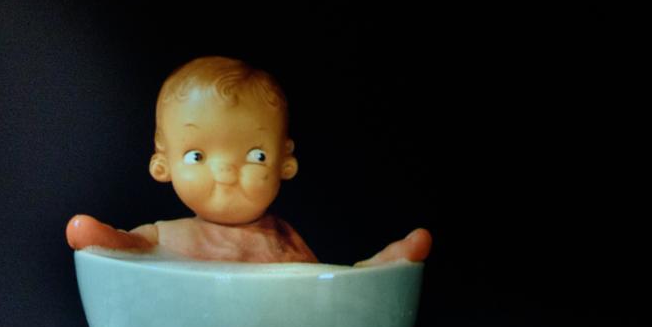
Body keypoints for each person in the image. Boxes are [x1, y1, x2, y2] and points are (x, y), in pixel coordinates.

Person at [65, 56, 432, 265]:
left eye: (256, 156)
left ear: (284, 163)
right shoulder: (164, 237)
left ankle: (375, 274)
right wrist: (106, 241)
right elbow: (127, 248)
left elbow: (316, 290)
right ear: (163, 164)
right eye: (197, 156)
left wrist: (343, 288)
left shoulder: (283, 241)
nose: (226, 172)